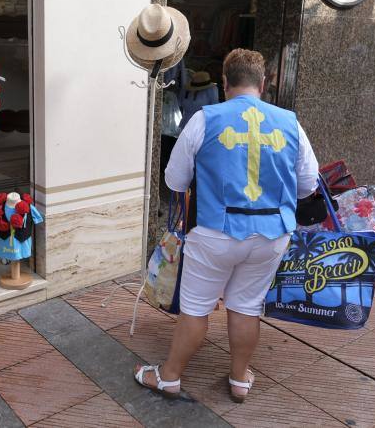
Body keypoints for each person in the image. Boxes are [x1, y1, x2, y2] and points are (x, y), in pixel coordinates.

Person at [133, 48, 319, 402]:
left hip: (214, 232)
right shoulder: (290, 122)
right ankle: (239, 378)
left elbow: (174, 180)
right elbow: (308, 184)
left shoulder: (205, 119)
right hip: (271, 234)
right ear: (263, 84)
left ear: (224, 83)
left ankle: (170, 376)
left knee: (196, 308)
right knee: (247, 306)